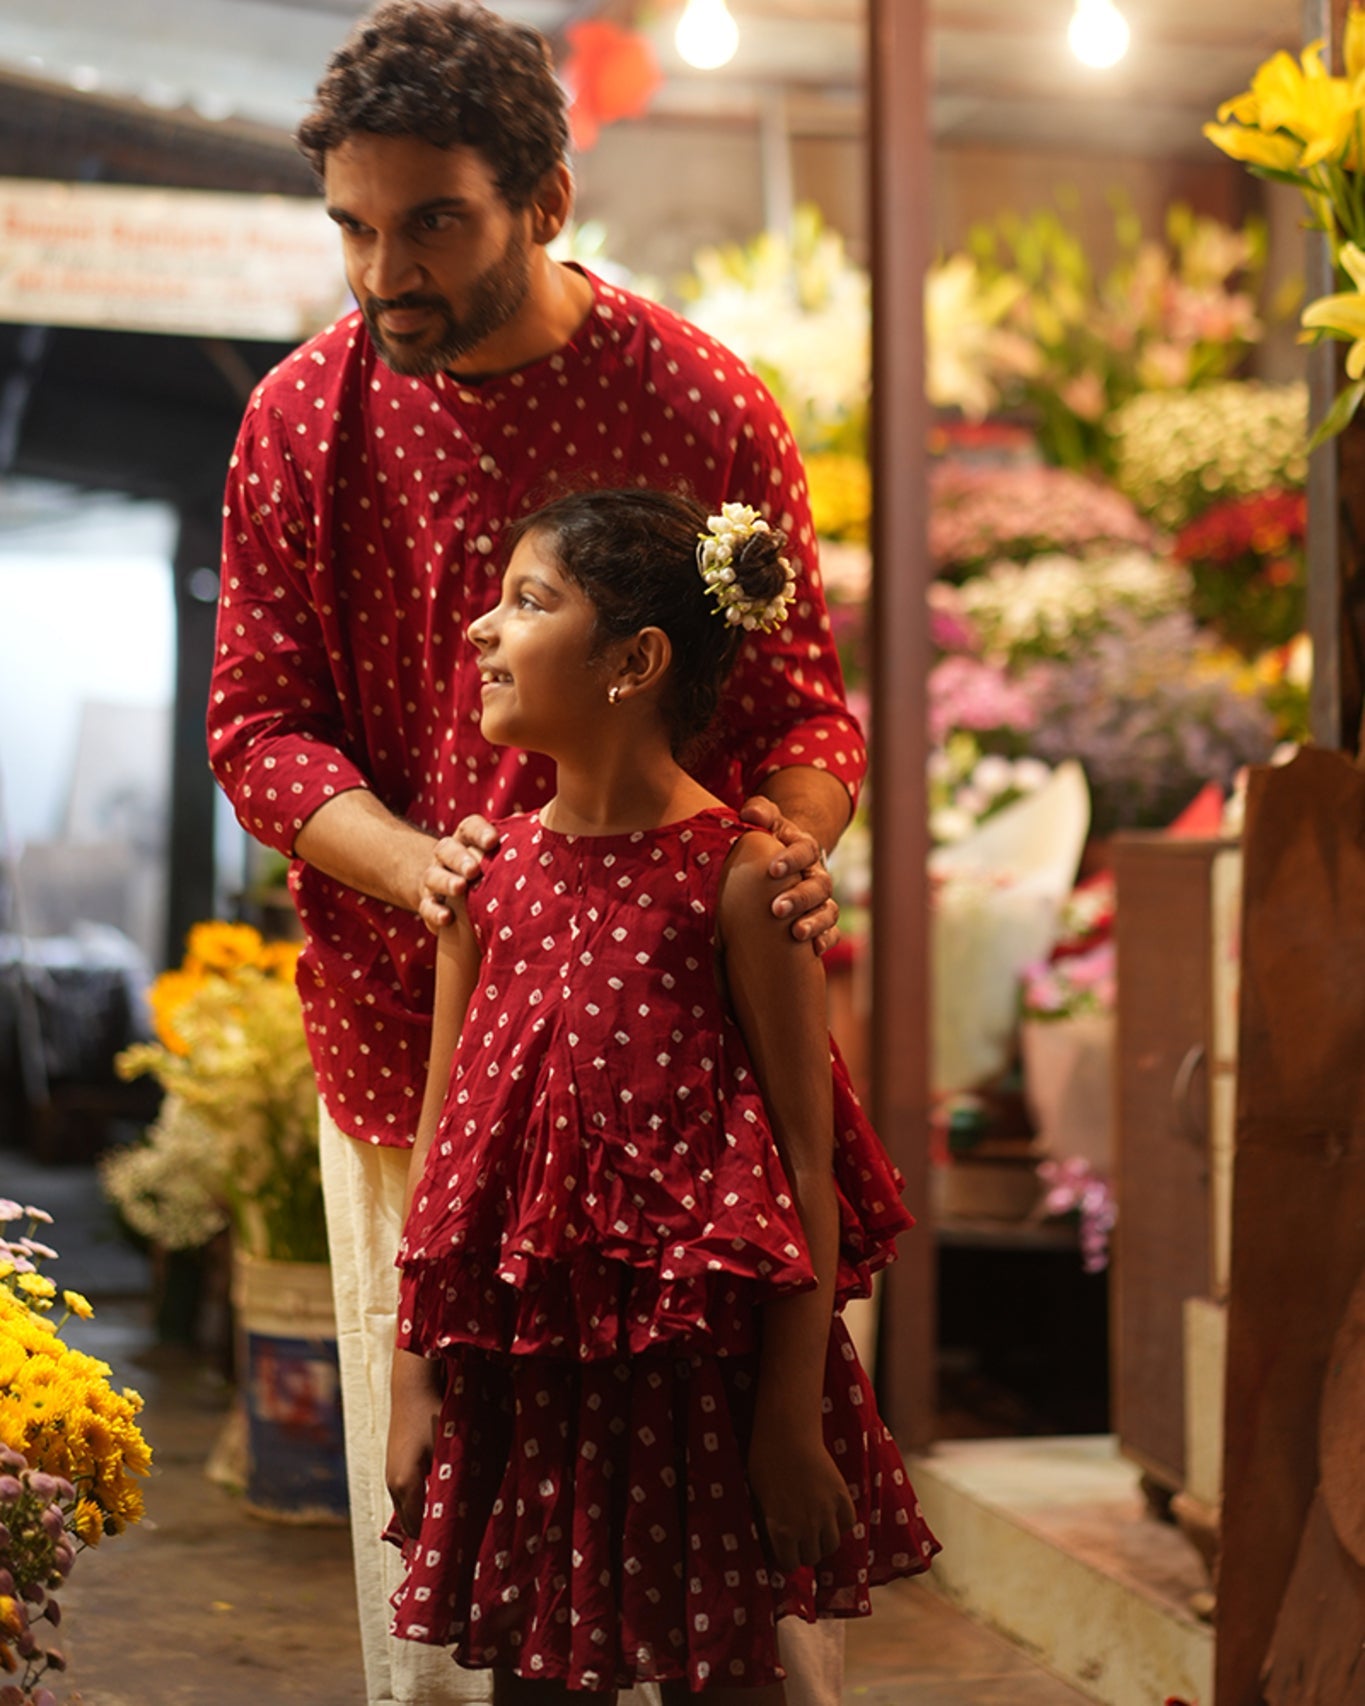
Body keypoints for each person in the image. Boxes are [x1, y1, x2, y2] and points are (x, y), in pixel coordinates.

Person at [207, 6, 867, 1704]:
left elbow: (804, 711)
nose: (385, 273)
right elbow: (258, 727)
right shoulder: (302, 419)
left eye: (431, 222)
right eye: (355, 227)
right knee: (464, 1581)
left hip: (697, 1068)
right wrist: (420, 870)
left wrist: (782, 859)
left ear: (546, 200)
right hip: (432, 1050)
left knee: (741, 1582)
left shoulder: (702, 402)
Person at [385, 489, 938, 1702]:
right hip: (530, 1377)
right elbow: (440, 1157)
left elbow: (806, 1162)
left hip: (703, 1387)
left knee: (724, 1673)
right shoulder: (483, 880)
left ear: (634, 662)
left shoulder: (743, 879)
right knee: (533, 1670)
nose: (482, 628)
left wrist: (787, 1417)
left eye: (528, 601)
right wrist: (410, 1379)